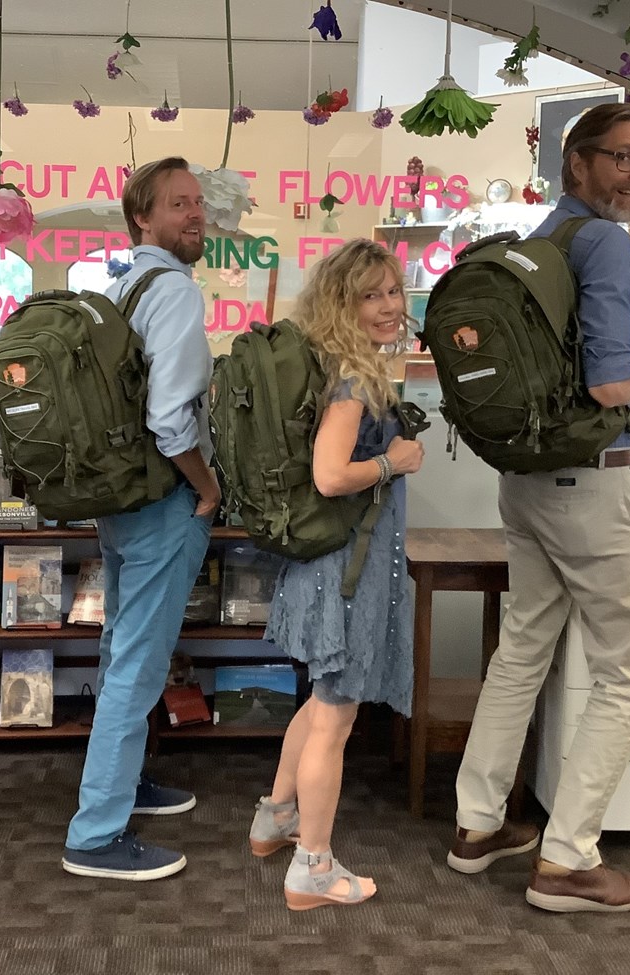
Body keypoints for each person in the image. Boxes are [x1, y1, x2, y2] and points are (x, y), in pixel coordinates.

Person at [448, 102, 630, 912]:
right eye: (623, 158)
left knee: (524, 645)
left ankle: (477, 822)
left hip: (527, 480)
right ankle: (567, 861)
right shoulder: (604, 244)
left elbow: (571, 366)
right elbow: (609, 383)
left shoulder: (538, 244)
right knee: (627, 670)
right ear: (578, 163)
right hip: (594, 485)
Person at [248, 238, 425, 910]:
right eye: (370, 294)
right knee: (335, 716)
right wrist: (395, 462)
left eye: (392, 290)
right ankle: (312, 868)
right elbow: (329, 475)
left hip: (329, 563)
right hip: (347, 569)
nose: (387, 305)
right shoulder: (352, 378)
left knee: (321, 700)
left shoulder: (335, 364)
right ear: (341, 302)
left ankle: (277, 815)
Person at [61, 157, 220, 881]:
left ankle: (120, 789)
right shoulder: (176, 292)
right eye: (178, 205)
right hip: (160, 499)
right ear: (142, 219)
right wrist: (207, 485)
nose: (195, 215)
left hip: (118, 500)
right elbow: (169, 419)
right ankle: (96, 832)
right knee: (138, 662)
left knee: (121, 646)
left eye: (197, 203)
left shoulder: (122, 285)